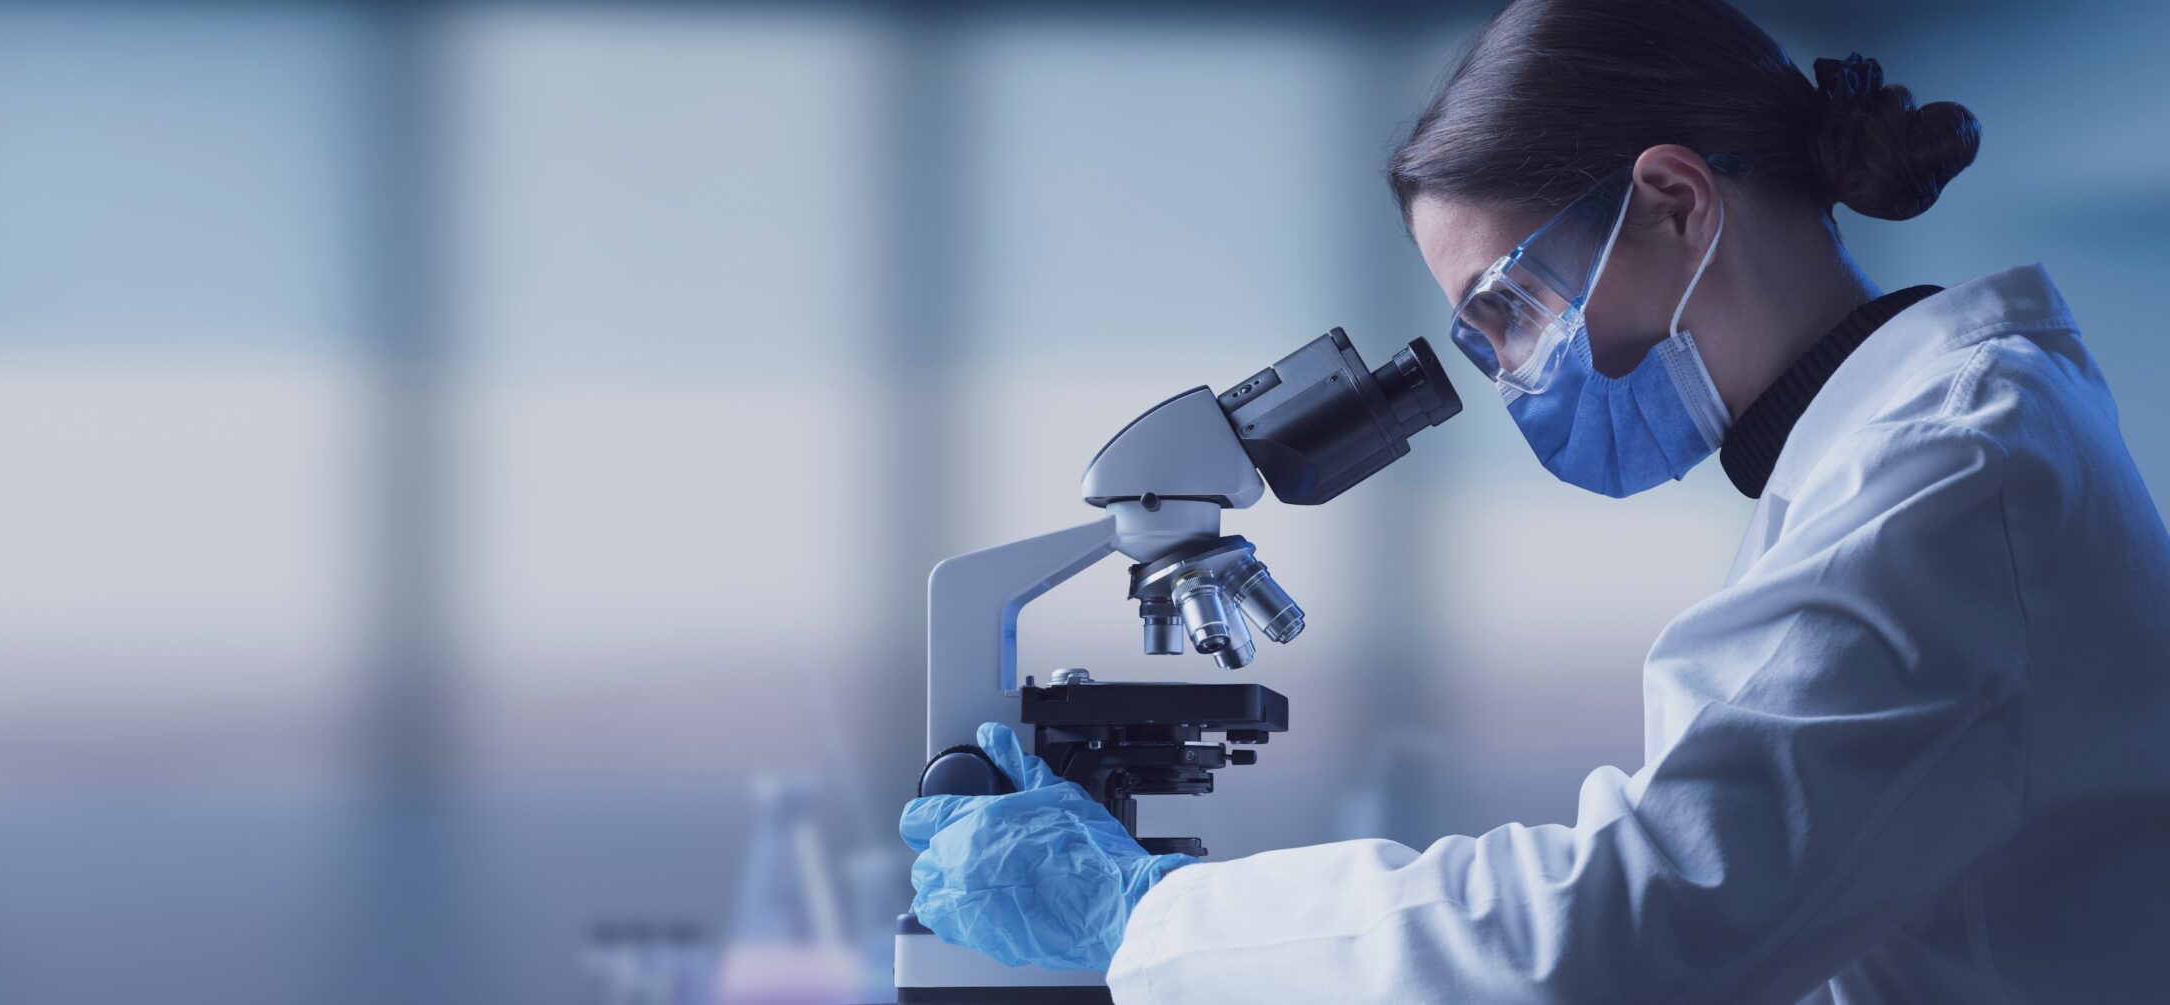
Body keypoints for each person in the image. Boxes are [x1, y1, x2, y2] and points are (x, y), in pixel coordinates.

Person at [898, 0, 2170, 1001]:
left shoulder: (1948, 469)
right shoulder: (1908, 451)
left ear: (1674, 203)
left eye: (1504, 309)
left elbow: (1618, 933)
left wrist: (1143, 918)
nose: (1507, 375)